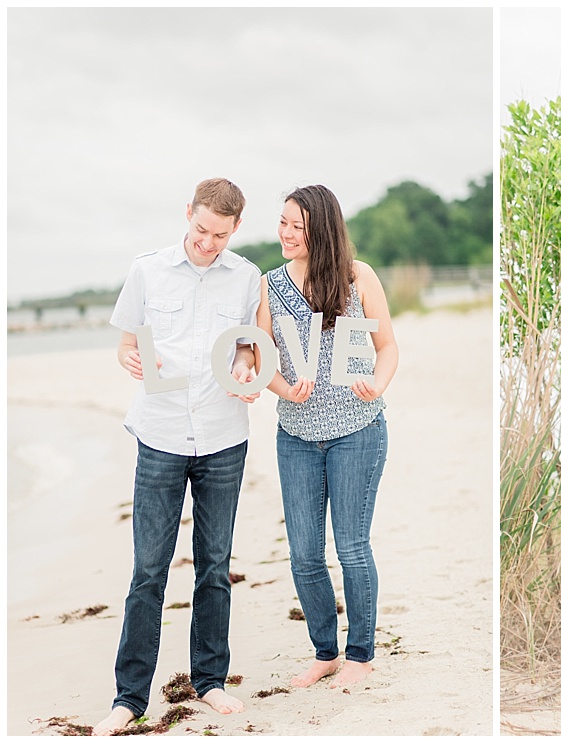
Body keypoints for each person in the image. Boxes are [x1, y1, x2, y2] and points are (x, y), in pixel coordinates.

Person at [97, 178, 261, 735]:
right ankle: (129, 695)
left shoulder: (246, 278)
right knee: (149, 570)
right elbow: (126, 342)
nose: (207, 243)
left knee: (214, 567)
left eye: (219, 235)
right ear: (187, 214)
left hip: (222, 436)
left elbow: (247, 348)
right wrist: (131, 360)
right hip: (160, 434)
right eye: (200, 230)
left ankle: (210, 681)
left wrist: (246, 370)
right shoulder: (147, 271)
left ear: (235, 228)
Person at [257, 184, 398, 689]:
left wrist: (376, 386)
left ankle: (361, 655)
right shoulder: (269, 286)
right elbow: (259, 358)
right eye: (283, 223)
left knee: (353, 547)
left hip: (357, 430)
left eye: (298, 226)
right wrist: (281, 388)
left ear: (321, 230)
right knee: (304, 553)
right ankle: (326, 652)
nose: (287, 234)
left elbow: (387, 348)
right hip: (295, 435)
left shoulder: (358, 278)